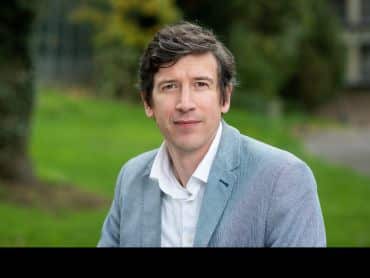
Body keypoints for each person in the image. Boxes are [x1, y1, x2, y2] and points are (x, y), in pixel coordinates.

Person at [98, 21, 326, 247]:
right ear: (148, 103)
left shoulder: (284, 179)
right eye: (169, 86)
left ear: (225, 97)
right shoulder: (131, 178)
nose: (185, 103)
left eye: (200, 84)